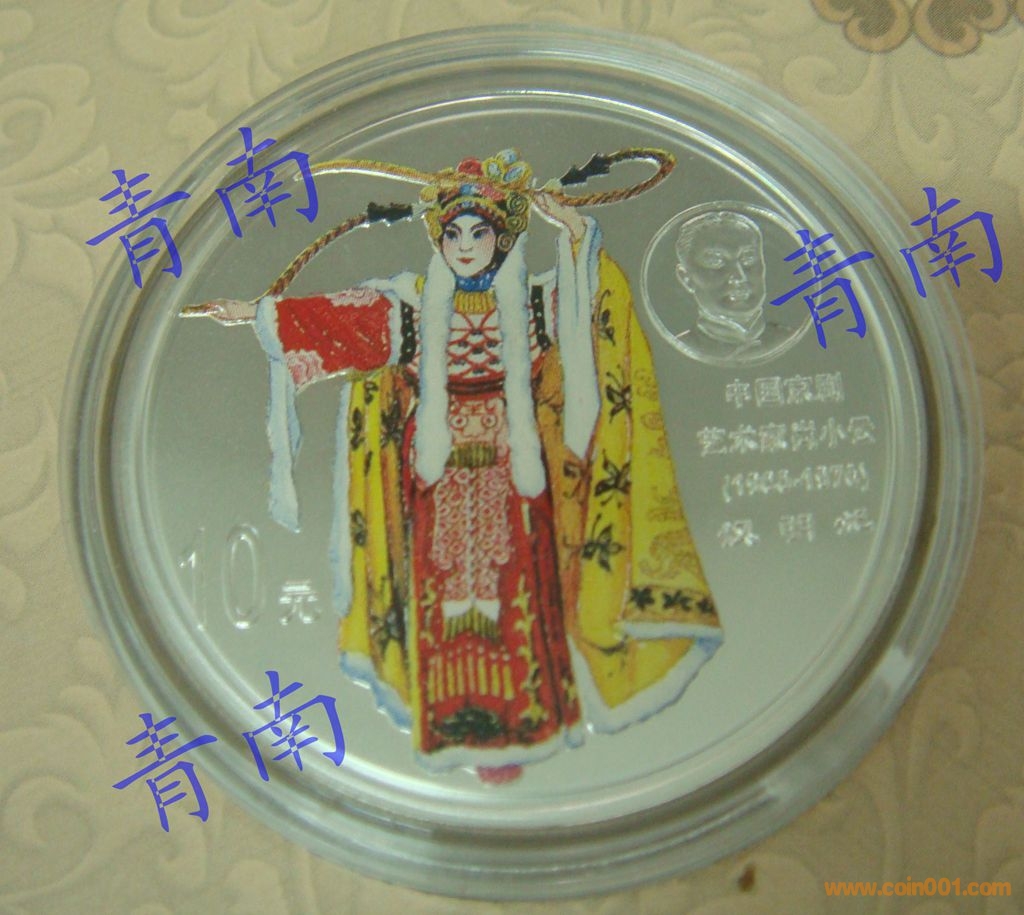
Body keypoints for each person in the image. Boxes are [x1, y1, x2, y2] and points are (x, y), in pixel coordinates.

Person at [191, 149, 723, 776]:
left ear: (502, 241)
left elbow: (590, 306)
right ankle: (451, 722)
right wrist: (254, 313)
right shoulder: (409, 311)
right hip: (436, 477)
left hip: (516, 474)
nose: (466, 247)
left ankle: (531, 716)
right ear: (439, 241)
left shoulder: (534, 305)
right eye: (454, 235)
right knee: (441, 592)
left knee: (518, 587)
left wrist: (575, 231)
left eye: (479, 234)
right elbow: (329, 322)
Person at [674, 210, 793, 362]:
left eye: (748, 258)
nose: (739, 277)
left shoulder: (790, 339)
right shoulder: (677, 352)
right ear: (686, 278)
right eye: (716, 261)